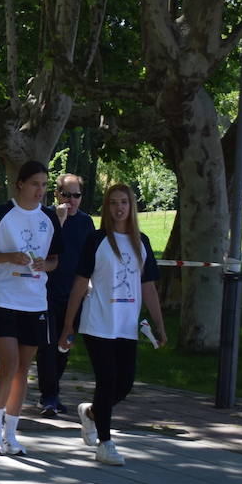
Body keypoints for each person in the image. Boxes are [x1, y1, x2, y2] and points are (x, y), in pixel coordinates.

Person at [62, 184, 167, 466]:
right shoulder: (96, 241)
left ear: (132, 207)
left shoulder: (141, 242)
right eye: (113, 203)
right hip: (98, 322)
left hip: (126, 324)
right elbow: (80, 283)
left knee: (125, 383)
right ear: (106, 208)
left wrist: (159, 324)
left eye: (124, 202)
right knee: (106, 380)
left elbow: (149, 288)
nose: (119, 208)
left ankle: (93, 413)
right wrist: (68, 324)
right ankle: (105, 443)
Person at [0, 159, 62, 457]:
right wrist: (8, 257)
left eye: (44, 185)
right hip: (3, 297)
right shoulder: (2, 213)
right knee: (8, 363)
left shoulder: (49, 217)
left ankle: (11, 432)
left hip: (34, 300)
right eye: (35, 183)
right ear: (21, 183)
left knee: (23, 368)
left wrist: (44, 265)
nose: (40, 190)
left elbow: (54, 261)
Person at [37, 172, 96, 417]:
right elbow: (42, 248)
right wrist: (59, 221)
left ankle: (52, 392)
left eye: (76, 195)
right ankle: (49, 395)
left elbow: (91, 257)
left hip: (74, 294)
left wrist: (90, 284)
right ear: (56, 194)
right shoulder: (46, 217)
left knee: (64, 344)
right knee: (48, 345)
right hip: (46, 291)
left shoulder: (86, 222)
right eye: (66, 194)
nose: (71, 200)